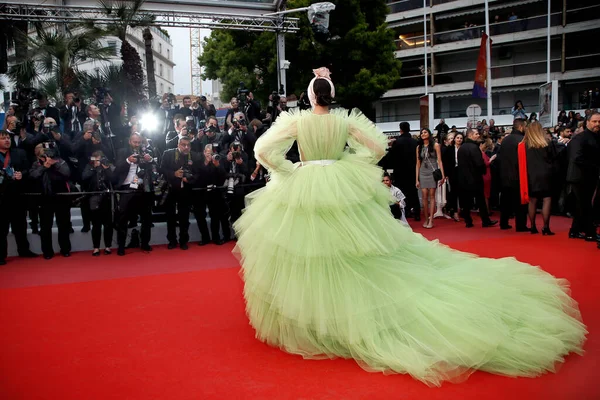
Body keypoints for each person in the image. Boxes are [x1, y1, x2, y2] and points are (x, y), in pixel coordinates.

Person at [233, 67, 586, 387]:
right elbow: (374, 147)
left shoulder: (297, 122)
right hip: (339, 180)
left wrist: (288, 170)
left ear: (311, 96)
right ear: (332, 94)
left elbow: (263, 150)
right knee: (358, 251)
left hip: (306, 181)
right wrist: (346, 164)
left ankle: (314, 319)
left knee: (307, 252)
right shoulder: (344, 122)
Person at [0, 131, 38, 265]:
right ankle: (1, 256)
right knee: (2, 228)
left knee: (20, 226)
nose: (6, 140)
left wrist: (22, 174)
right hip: (1, 197)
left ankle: (24, 250)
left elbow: (29, 169)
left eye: (8, 138)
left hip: (17, 195)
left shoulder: (19, 153)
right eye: (3, 138)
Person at [566, 111, 600, 242]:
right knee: (585, 205)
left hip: (590, 176)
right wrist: (595, 165)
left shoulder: (595, 136)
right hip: (579, 177)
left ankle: (574, 231)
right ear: (587, 122)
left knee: (582, 205)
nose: (597, 124)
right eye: (594, 121)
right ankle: (589, 233)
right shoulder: (580, 138)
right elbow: (576, 158)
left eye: (599, 122)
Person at [520, 122, 558, 235]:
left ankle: (532, 226)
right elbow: (554, 158)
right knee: (547, 199)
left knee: (532, 201)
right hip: (546, 174)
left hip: (530, 175)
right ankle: (546, 227)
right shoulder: (547, 143)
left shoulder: (524, 144)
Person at [457, 129, 497, 228]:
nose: (478, 135)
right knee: (481, 201)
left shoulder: (461, 148)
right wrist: (483, 170)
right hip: (475, 177)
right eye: (476, 134)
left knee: (466, 201)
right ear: (471, 135)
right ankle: (485, 221)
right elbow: (479, 163)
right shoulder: (474, 148)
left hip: (464, 178)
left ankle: (468, 221)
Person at [497, 119, 528, 231]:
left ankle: (503, 223)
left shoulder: (505, 140)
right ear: (521, 126)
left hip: (504, 175)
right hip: (518, 175)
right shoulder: (522, 140)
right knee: (520, 203)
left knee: (505, 201)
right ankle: (520, 225)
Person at [82, 151, 115, 256]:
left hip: (107, 197)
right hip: (94, 197)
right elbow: (84, 178)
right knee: (96, 224)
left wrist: (107, 169)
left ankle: (108, 246)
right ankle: (96, 248)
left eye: (100, 159)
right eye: (96, 159)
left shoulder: (107, 165)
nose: (99, 161)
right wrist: (94, 168)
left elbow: (114, 179)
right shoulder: (89, 166)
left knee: (108, 224)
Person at [388, 121, 420, 220]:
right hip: (412, 171)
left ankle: (405, 212)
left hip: (400, 171)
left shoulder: (397, 142)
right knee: (413, 192)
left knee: (401, 193)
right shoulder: (415, 142)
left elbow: (392, 157)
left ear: (400, 129)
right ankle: (417, 213)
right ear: (409, 129)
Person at [415, 128, 445, 229]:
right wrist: (417, 179)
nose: (423, 134)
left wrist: (443, 175)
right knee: (424, 195)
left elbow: (440, 161)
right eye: (421, 133)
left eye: (425, 132)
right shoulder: (419, 147)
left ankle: (431, 219)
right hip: (423, 172)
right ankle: (426, 218)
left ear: (429, 134)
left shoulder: (436, 145)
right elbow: (417, 164)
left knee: (432, 195)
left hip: (432, 172)